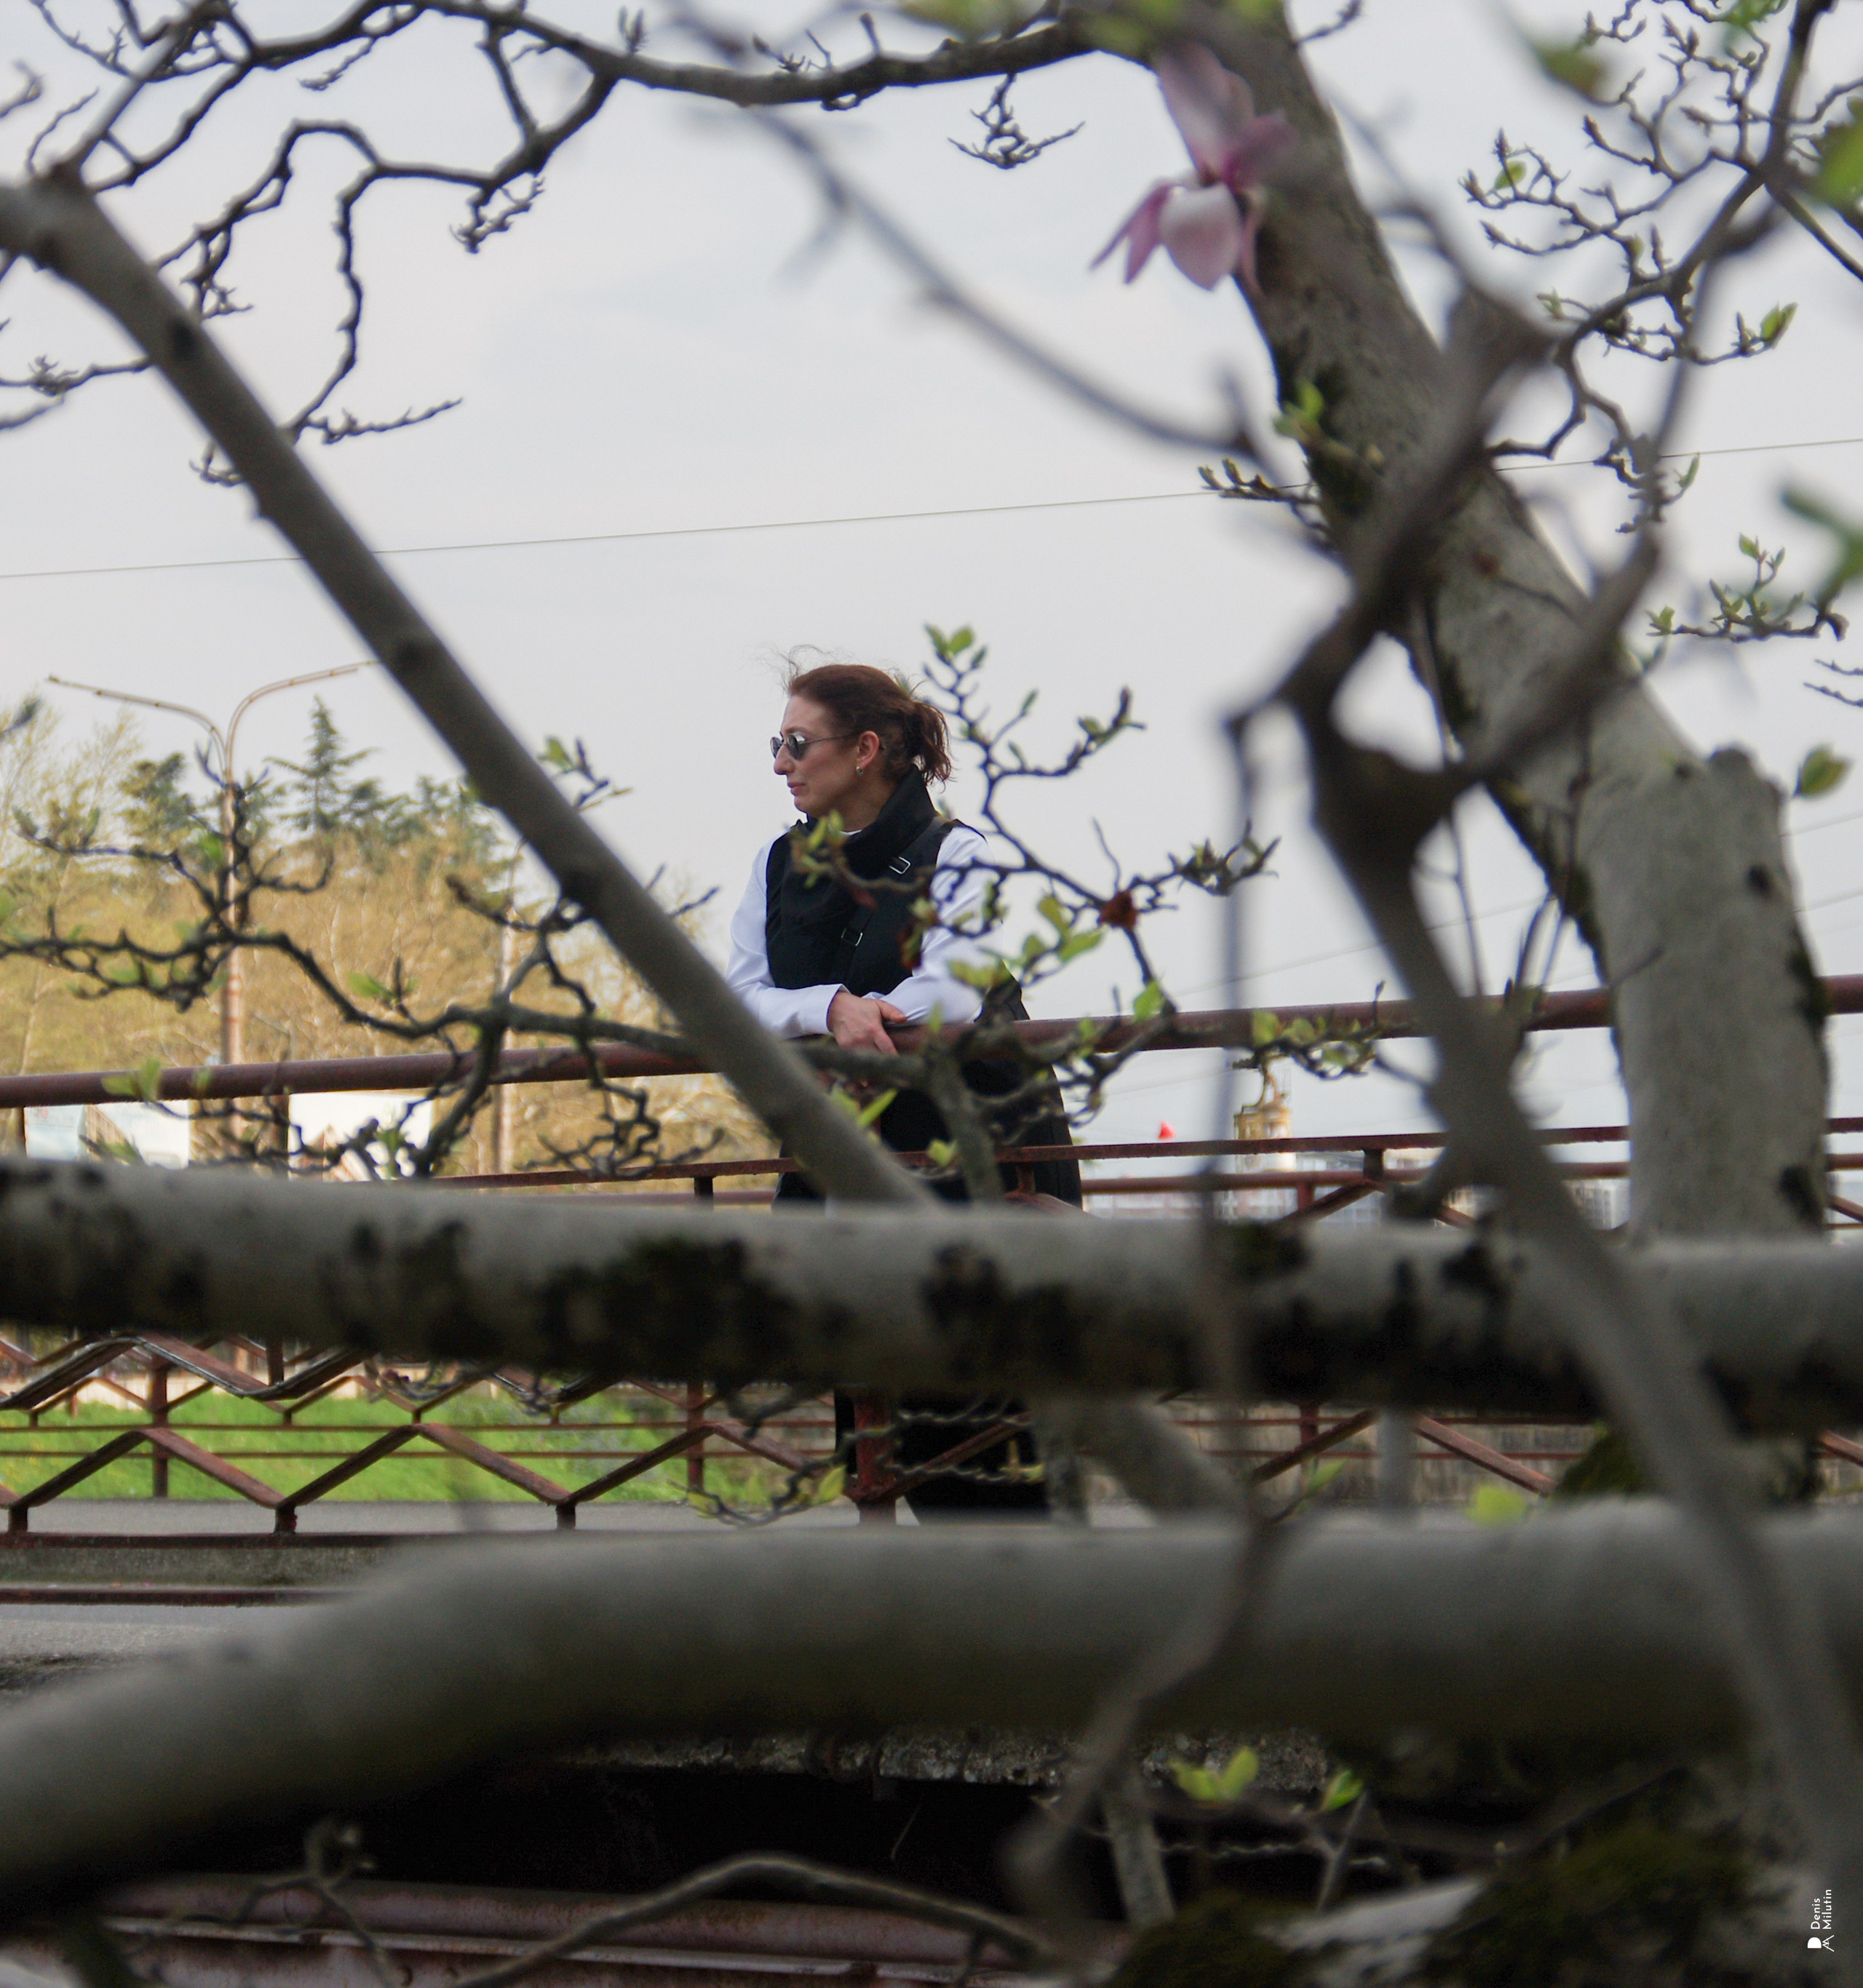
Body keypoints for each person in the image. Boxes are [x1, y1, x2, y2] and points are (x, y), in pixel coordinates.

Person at [726, 659, 1080, 1516]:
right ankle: (929, 1616)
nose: (779, 761)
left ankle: (1041, 1614)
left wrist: (843, 1016)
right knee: (878, 1424)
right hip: (847, 1161)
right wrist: (831, 1006)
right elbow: (739, 995)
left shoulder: (960, 854)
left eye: (796, 742)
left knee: (987, 1419)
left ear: (867, 749)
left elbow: (949, 993)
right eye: (776, 743)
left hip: (977, 1163)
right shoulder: (779, 863)